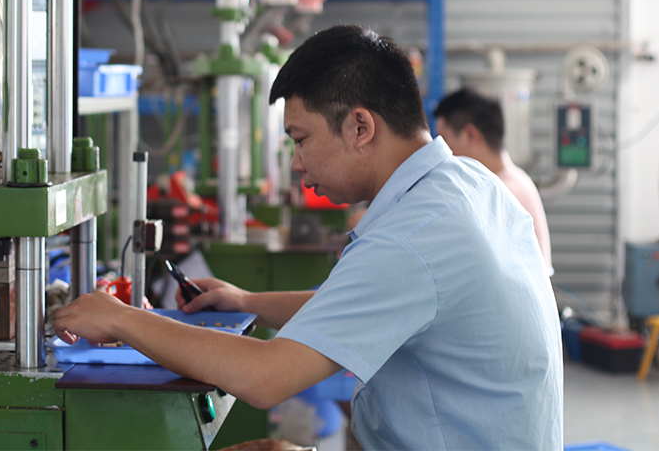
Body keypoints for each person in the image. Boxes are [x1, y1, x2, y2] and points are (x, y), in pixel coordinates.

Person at [54, 25, 562, 450]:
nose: (297, 163)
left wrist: (124, 319)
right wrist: (247, 302)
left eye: (301, 140)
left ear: (360, 127)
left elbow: (264, 378)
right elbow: (368, 301)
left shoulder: (411, 237)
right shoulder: (466, 185)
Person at [434, 87, 553, 273]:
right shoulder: (516, 180)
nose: (443, 153)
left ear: (470, 135)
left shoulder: (501, 192)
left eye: (444, 139)